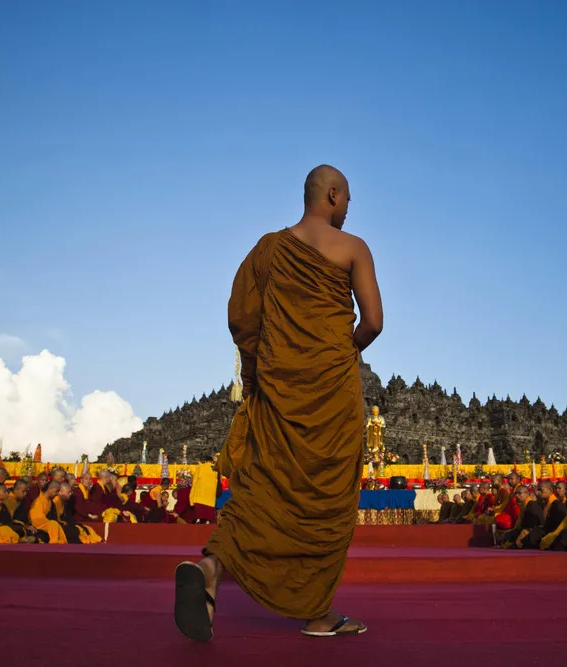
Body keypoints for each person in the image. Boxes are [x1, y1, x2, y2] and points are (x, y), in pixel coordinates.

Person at [175, 165, 383, 642]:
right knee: (327, 499)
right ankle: (318, 613)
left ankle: (210, 567)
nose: (349, 209)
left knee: (263, 491)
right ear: (332, 194)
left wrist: (256, 377)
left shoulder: (268, 249)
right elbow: (373, 321)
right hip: (333, 394)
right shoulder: (353, 249)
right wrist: (341, 350)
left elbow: (243, 321)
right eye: (348, 199)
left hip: (278, 391)